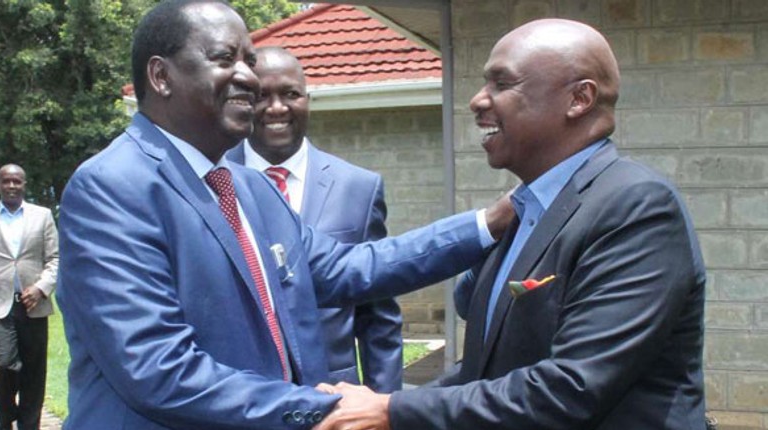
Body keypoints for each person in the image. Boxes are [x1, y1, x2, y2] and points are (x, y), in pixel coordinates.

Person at [55, 1, 512, 429]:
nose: (247, 78)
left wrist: (488, 223)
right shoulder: (113, 188)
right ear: (161, 76)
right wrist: (327, 411)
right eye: (224, 58)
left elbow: (353, 268)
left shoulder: (248, 187)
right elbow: (156, 368)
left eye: (248, 61)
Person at [314, 18, 707, 430]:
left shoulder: (634, 206)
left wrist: (392, 411)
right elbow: (486, 371)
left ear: (579, 99)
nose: (477, 101)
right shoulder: (523, 212)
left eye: (502, 84)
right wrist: (385, 405)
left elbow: (571, 388)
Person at [226, 46, 403, 393]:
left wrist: (384, 408)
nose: (277, 108)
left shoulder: (359, 188)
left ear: (308, 99)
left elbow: (379, 318)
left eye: (290, 94)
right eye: (262, 95)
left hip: (334, 398)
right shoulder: (214, 182)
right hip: (243, 398)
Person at [0, 164, 59, 430]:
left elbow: (55, 259)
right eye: (6, 181)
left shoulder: (42, 216)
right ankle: (6, 418)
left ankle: (29, 425)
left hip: (34, 303)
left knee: (35, 370)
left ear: (24, 184)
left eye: (17, 181)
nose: (12, 186)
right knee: (5, 364)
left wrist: (41, 287)